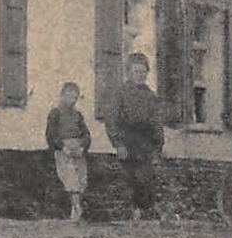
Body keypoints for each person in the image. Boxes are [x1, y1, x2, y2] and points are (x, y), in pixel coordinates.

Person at [104, 52, 165, 221]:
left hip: (145, 143)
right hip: (127, 140)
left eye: (143, 71)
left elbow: (156, 123)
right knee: (130, 178)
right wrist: (118, 143)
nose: (140, 75)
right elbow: (112, 119)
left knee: (147, 177)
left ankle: (145, 211)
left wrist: (158, 145)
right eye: (136, 71)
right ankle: (132, 213)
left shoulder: (151, 96)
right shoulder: (120, 93)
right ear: (129, 73)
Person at [46, 81, 92, 222]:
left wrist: (82, 147)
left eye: (75, 97)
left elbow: (86, 135)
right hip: (64, 149)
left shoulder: (78, 115)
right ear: (62, 95)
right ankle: (76, 206)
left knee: (82, 178)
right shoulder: (55, 113)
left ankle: (76, 208)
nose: (72, 100)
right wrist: (62, 147)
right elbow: (51, 135)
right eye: (69, 96)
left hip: (78, 149)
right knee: (71, 177)